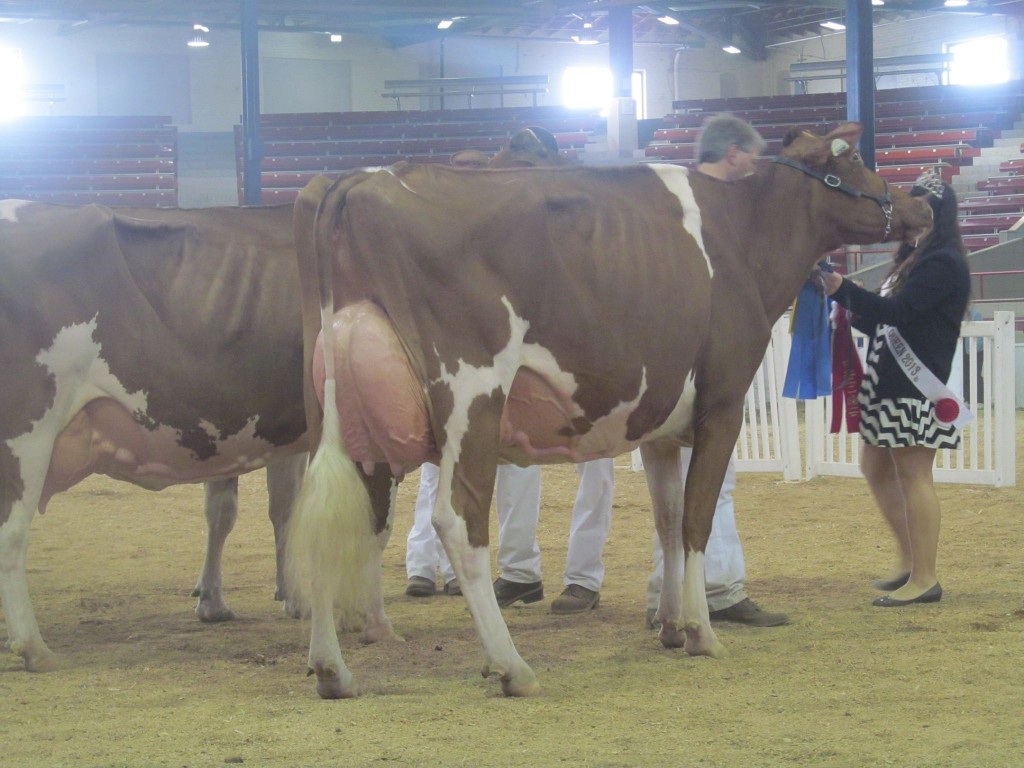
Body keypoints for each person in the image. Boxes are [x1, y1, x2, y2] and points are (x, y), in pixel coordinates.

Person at [820, 167, 970, 607]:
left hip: (915, 387)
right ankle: (909, 561)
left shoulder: (942, 263)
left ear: (937, 216)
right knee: (877, 468)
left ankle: (925, 577)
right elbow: (881, 320)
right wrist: (843, 300)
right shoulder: (912, 260)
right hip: (889, 382)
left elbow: (899, 314)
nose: (909, 213)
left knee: (913, 474)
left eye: (920, 207)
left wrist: (844, 289)